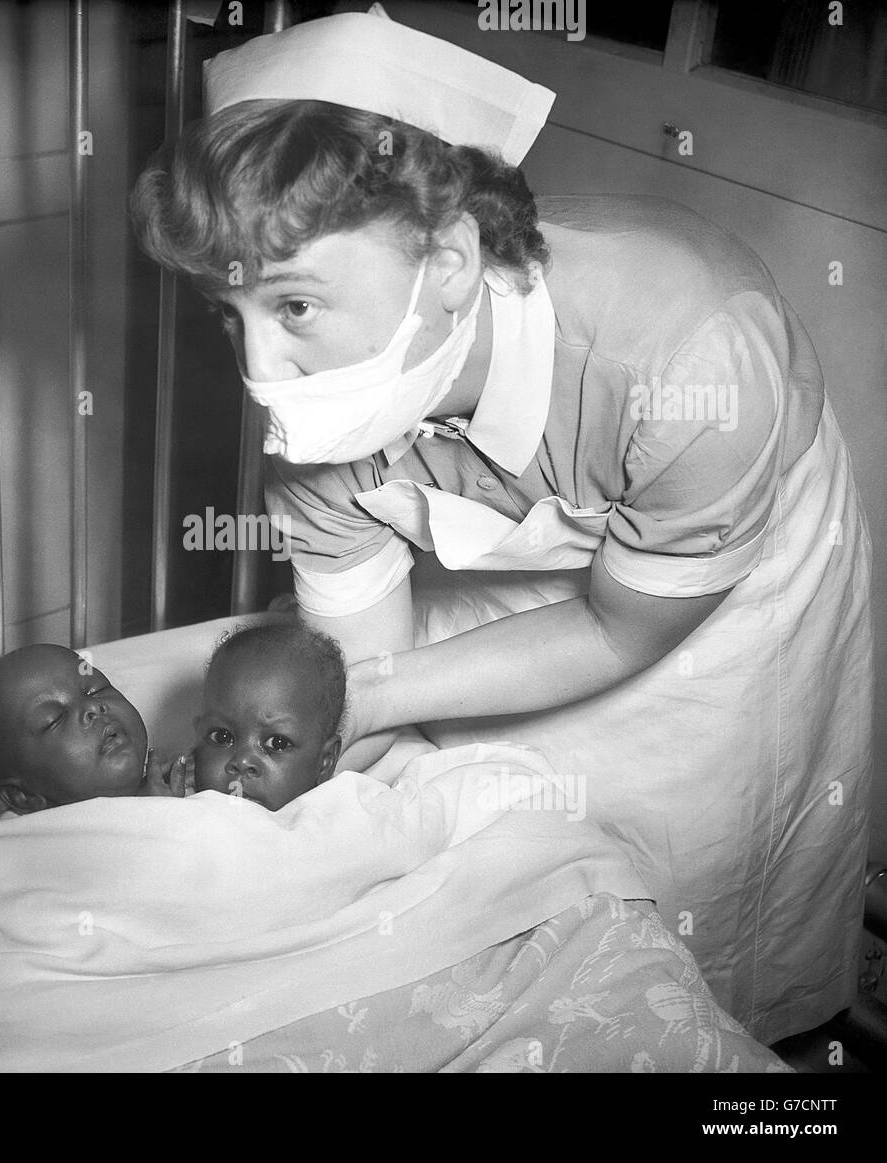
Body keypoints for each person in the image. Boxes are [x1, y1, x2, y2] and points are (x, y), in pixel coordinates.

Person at [129, 5, 873, 1043]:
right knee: (499, 821)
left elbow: (616, 629)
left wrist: (363, 701)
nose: (258, 374)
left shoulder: (691, 359)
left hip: (710, 597)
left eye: (293, 307)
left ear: (447, 265)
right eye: (228, 311)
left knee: (692, 871)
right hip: (530, 559)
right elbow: (363, 673)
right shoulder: (316, 435)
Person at [0, 644, 188, 817]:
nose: (92, 707)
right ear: (24, 797)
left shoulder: (179, 779)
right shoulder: (38, 842)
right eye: (54, 720)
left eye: (96, 690)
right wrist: (153, 816)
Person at [192, 622, 345, 810]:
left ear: (324, 762)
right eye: (222, 737)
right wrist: (157, 809)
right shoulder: (179, 806)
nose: (243, 762)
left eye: (277, 743)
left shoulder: (335, 825)